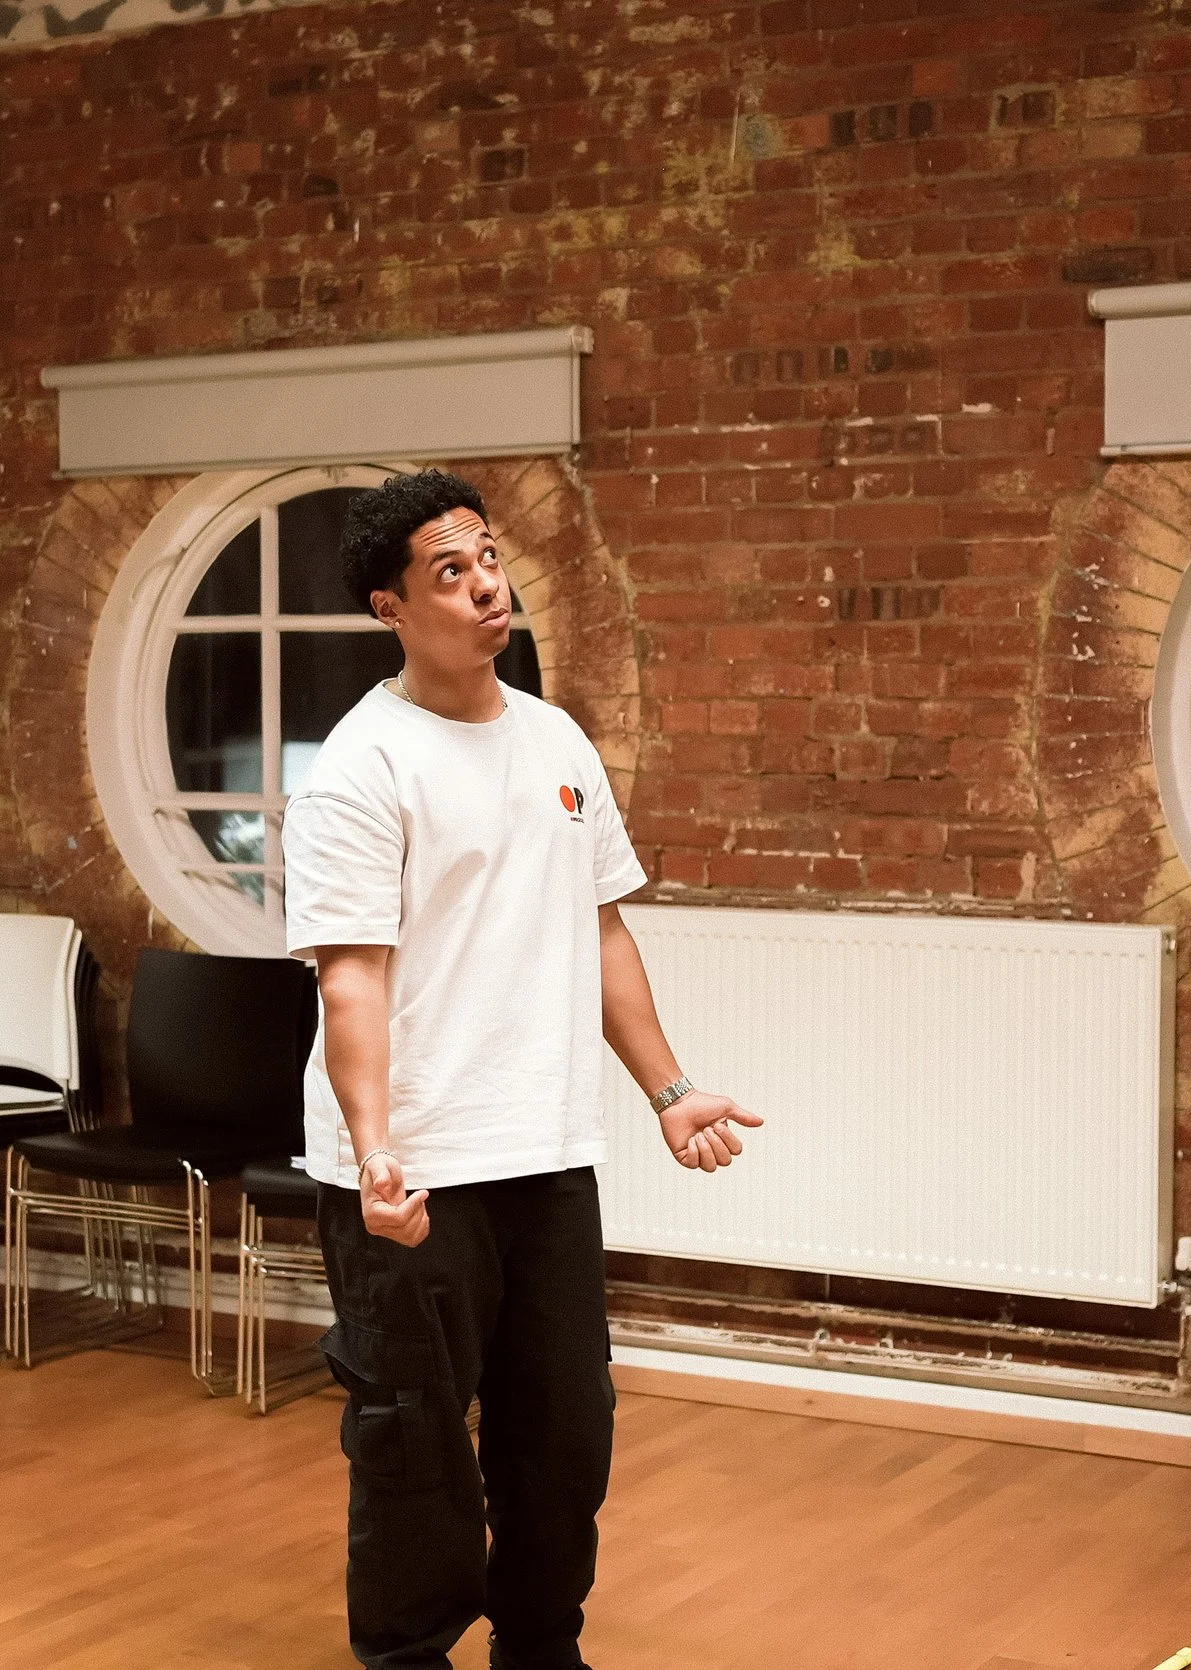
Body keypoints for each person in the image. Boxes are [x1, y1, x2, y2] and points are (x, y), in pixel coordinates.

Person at [282, 469, 762, 1670]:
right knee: (414, 1438)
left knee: (563, 1430)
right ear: (391, 606)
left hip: (546, 1150)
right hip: (411, 1170)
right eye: (450, 570)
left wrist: (669, 1089)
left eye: (488, 556)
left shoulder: (555, 741)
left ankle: (541, 1648)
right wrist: (377, 1147)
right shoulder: (360, 764)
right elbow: (351, 977)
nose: (487, 583)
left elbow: (599, 930)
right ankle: (409, 1657)